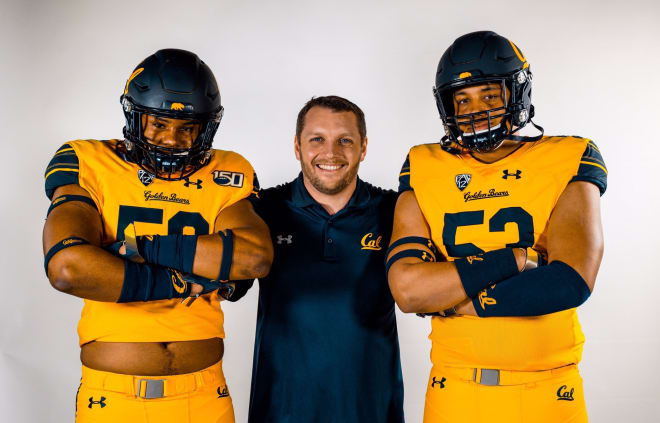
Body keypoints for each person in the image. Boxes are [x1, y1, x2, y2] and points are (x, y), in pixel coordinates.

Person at [42, 49, 273, 423]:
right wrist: (187, 280)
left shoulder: (228, 169)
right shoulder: (87, 159)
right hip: (113, 398)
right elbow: (68, 267)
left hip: (204, 395)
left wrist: (130, 249)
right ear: (134, 117)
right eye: (159, 124)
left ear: (206, 127)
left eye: (187, 128)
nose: (171, 139)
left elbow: (253, 258)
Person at [387, 31, 606, 423]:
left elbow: (568, 281)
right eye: (463, 99)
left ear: (515, 93)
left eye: (489, 95)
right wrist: (517, 259)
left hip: (548, 388)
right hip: (454, 389)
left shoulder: (569, 155)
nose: (475, 111)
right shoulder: (424, 164)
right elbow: (408, 290)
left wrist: (452, 299)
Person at [243, 96, 404, 422]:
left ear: (364, 147)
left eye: (345, 140)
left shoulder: (395, 211)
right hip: (281, 412)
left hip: (371, 411)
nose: (330, 153)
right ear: (297, 146)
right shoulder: (263, 210)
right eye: (317, 139)